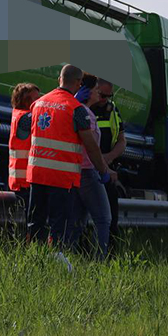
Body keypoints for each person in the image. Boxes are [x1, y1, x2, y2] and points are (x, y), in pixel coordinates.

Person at [26, 64, 112, 248]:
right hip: (60, 176)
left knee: (35, 222)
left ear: (59, 79)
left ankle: (32, 260)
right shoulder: (76, 110)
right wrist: (103, 170)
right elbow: (90, 145)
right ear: (79, 83)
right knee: (59, 224)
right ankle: (56, 263)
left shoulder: (38, 103)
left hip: (37, 173)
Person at [66, 81, 114, 258]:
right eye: (95, 90)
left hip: (75, 171)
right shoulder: (86, 114)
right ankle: (99, 261)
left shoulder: (74, 110)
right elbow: (91, 148)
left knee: (76, 221)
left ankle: (67, 259)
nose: (98, 93)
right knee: (103, 219)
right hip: (88, 171)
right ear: (86, 92)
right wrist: (103, 171)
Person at [92, 78, 126, 252]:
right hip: (88, 170)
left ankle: (110, 254)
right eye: (102, 95)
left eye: (109, 96)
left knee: (111, 217)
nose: (105, 99)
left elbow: (121, 141)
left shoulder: (113, 110)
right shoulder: (83, 108)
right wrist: (100, 161)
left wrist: (109, 157)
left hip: (108, 170)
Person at [8, 82, 41, 211]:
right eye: (36, 99)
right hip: (25, 180)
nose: (40, 102)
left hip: (21, 178)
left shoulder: (18, 114)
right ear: (26, 100)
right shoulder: (27, 117)